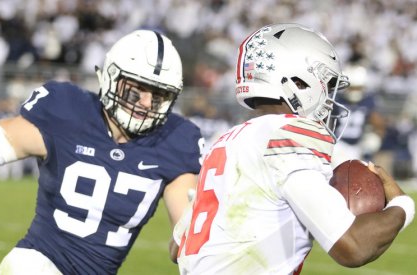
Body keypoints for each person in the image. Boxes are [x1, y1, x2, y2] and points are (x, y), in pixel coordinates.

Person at [0, 29, 204, 275]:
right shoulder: (67, 110)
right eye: (136, 91)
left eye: (158, 96)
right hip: (37, 263)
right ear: (111, 77)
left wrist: (196, 230)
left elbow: (182, 246)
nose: (146, 104)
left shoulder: (175, 139)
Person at [171, 23, 415, 274]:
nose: (330, 97)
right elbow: (355, 247)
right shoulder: (290, 137)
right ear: (298, 81)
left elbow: (176, 247)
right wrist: (402, 207)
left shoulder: (226, 140)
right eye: (327, 84)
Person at [331, 63, 386, 168]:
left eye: (358, 87)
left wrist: (376, 137)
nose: (355, 91)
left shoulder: (368, 101)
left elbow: (378, 124)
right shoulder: (336, 99)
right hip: (338, 144)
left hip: (357, 146)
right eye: (353, 87)